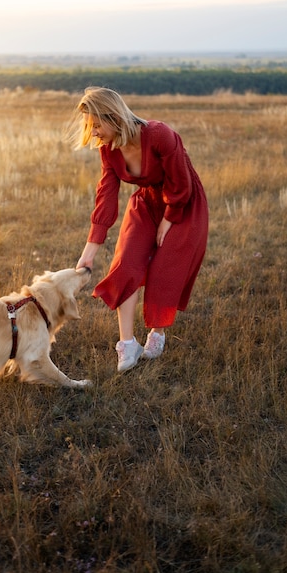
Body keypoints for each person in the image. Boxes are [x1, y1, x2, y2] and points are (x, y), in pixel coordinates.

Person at [69, 87, 208, 372]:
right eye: (89, 126)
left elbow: (181, 181)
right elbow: (106, 194)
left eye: (96, 124)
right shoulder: (108, 150)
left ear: (114, 116)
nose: (93, 132)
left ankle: (157, 332)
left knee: (164, 270)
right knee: (126, 264)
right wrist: (89, 251)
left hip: (182, 202)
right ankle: (127, 344)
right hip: (145, 203)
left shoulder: (159, 134)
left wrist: (169, 218)